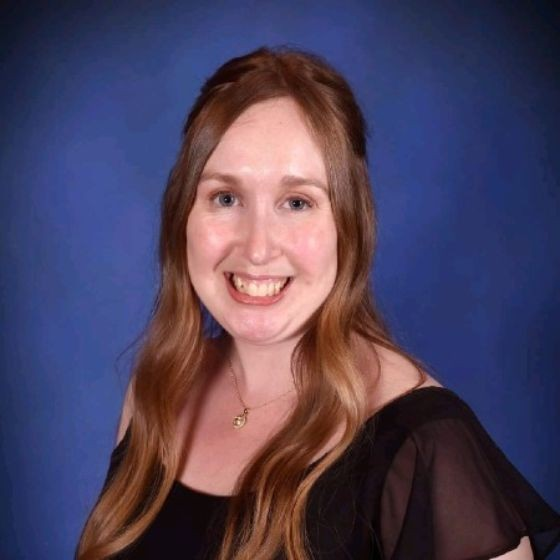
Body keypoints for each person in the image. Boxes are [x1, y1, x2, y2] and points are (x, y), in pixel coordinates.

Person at [76, 46, 560, 560]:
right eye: (225, 197)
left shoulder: (424, 444)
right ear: (183, 217)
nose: (257, 248)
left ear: (348, 226)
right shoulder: (158, 390)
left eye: (297, 202)